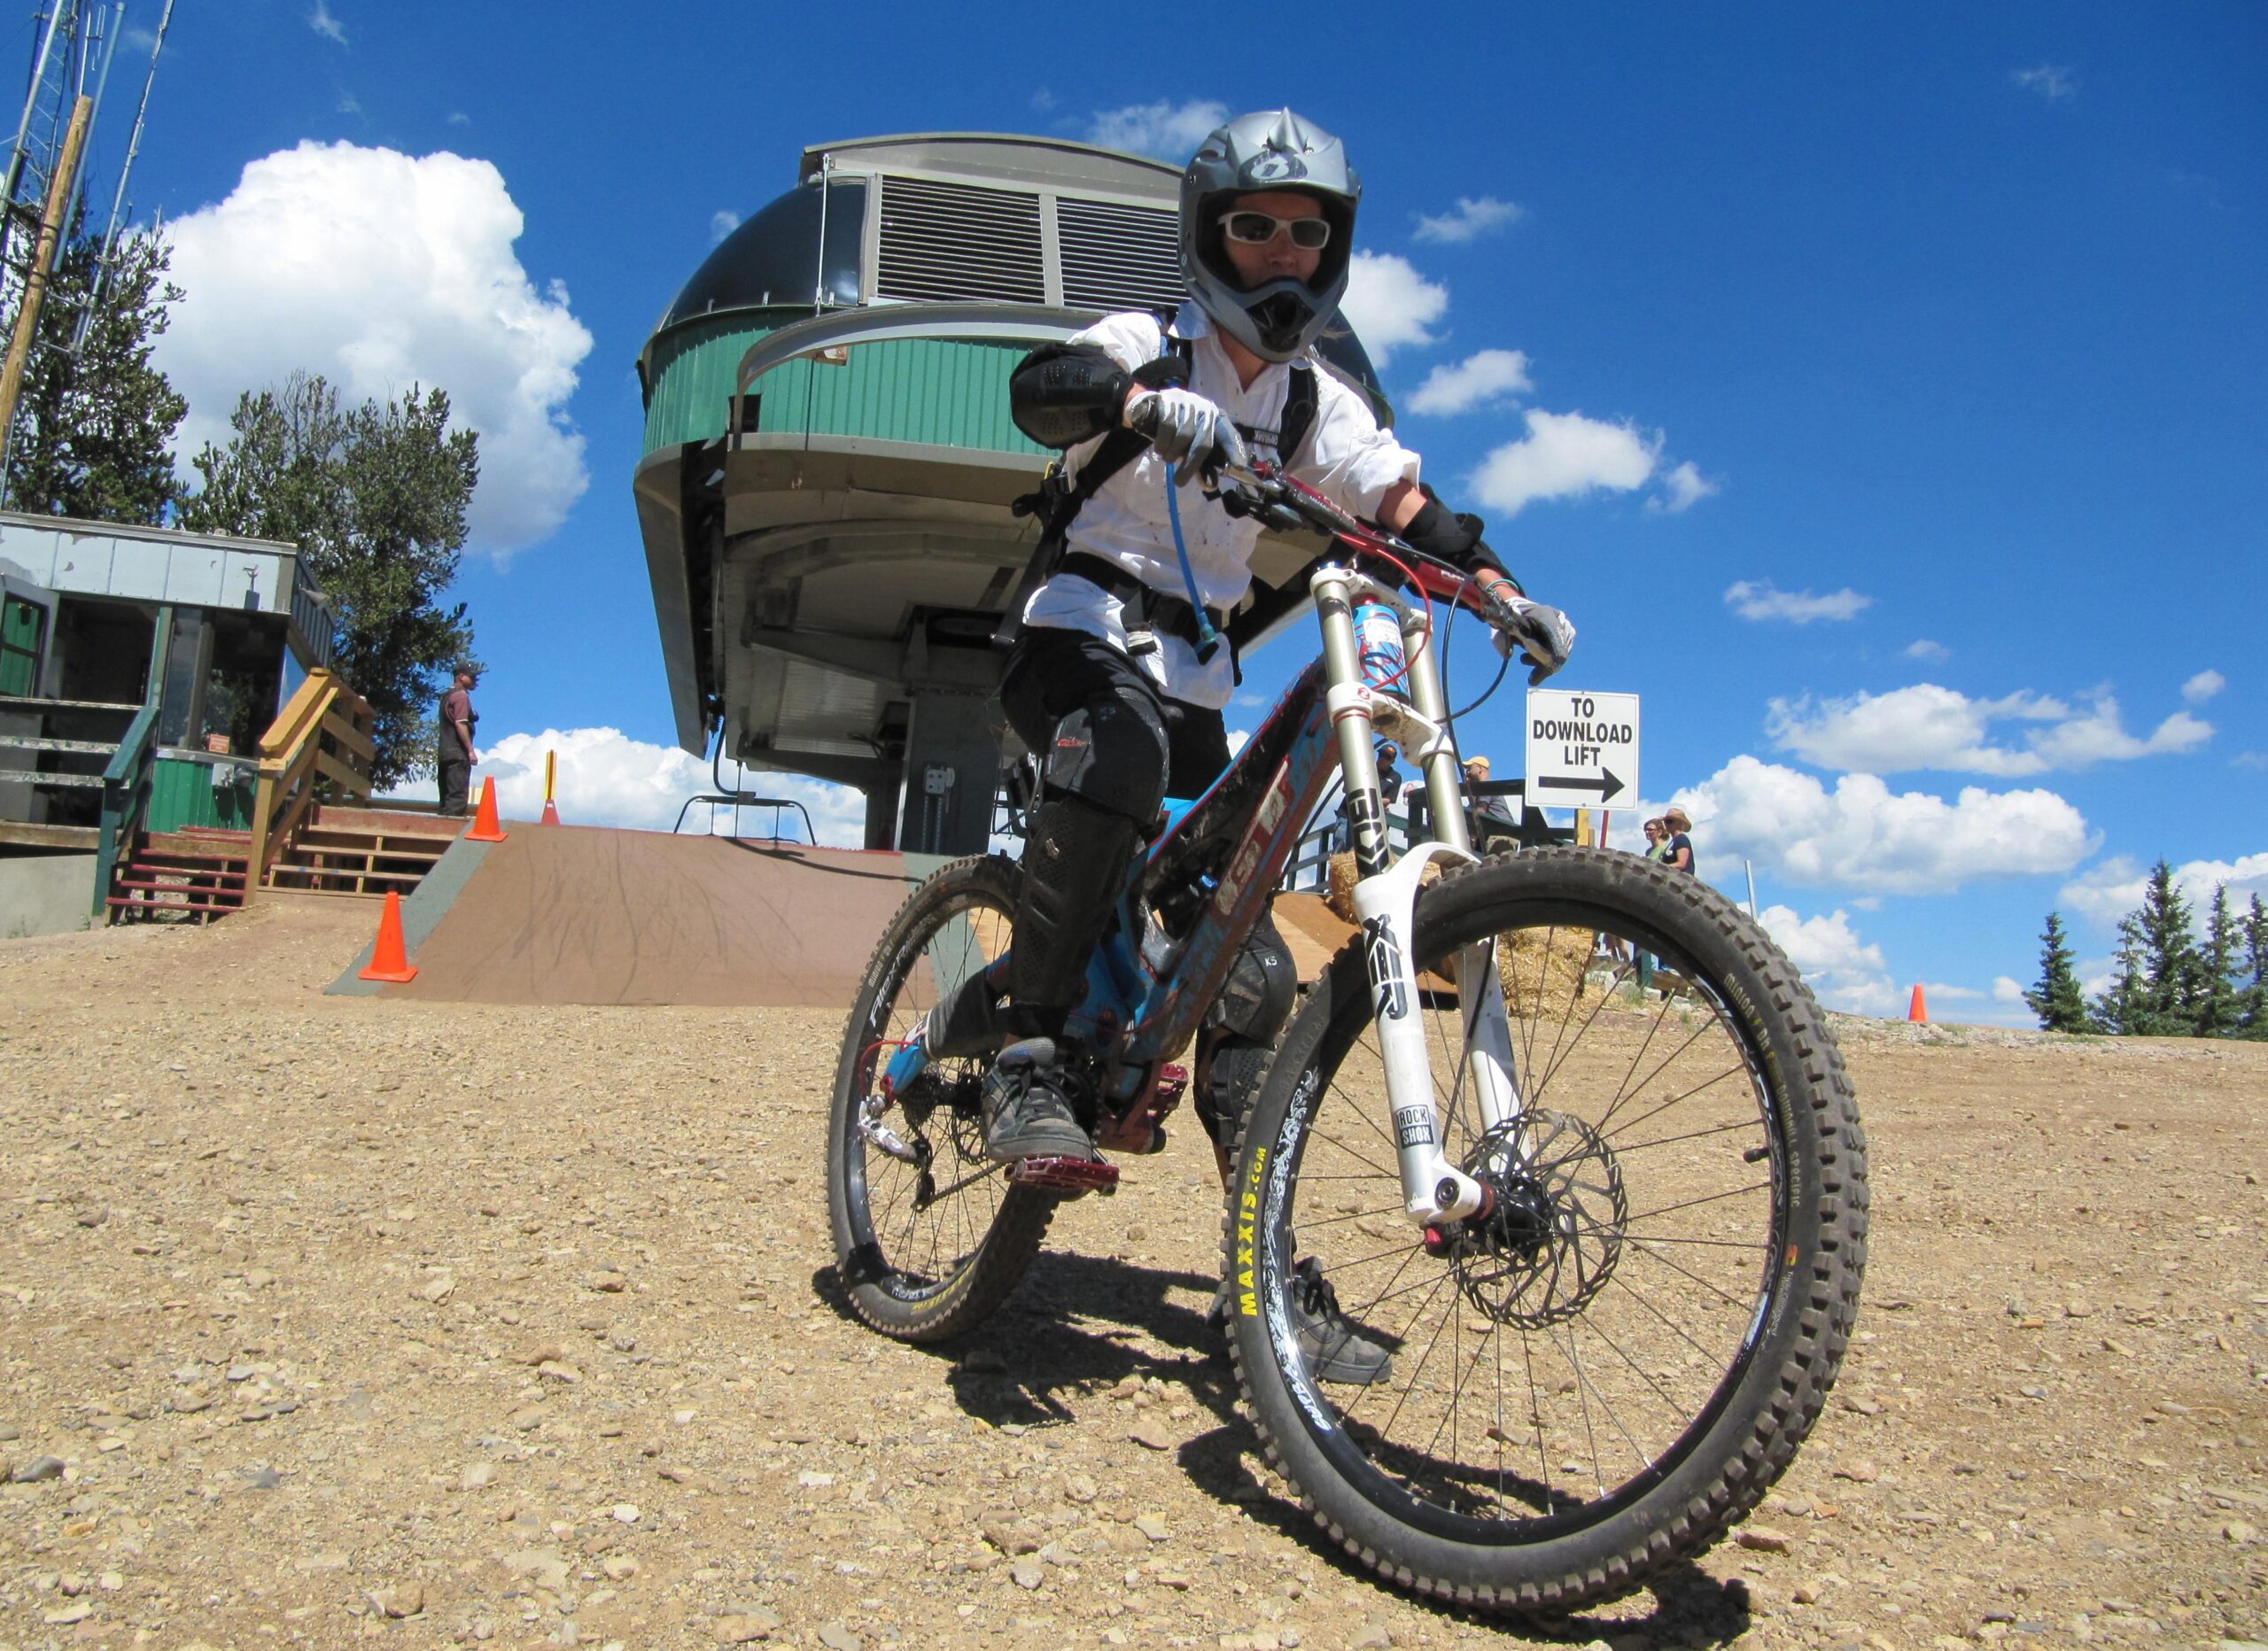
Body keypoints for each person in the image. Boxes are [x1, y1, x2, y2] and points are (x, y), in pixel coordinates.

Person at [985, 110, 1575, 1383]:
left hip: (1190, 674)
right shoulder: (1154, 339)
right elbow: (1042, 388)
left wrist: (1501, 584)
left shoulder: (1317, 399)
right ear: (1209, 237)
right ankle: (1031, 1051)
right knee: (1121, 756)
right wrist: (1142, 405)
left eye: (1308, 234)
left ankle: (1263, 1276)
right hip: (1072, 628)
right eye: (1255, 229)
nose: (1281, 257)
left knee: (1245, 974)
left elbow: (1400, 500)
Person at [437, 663, 479, 818]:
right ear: (461, 676)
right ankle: (448, 838)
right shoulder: (461, 696)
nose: (476, 680)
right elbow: (460, 723)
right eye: (472, 676)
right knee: (456, 801)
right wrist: (470, 751)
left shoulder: (446, 696)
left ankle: (439, 835)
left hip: (444, 753)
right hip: (457, 755)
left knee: (445, 801)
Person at [1464, 755, 1519, 853]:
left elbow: (1480, 812)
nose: (1467, 774)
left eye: (1469, 770)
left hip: (1500, 834)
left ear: (1480, 769)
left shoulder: (1486, 786)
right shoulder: (1479, 792)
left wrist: (1472, 838)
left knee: (1493, 864)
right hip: (1501, 833)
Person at [1661, 806, 1697, 876]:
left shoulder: (1681, 839)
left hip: (1682, 881)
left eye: (1670, 821)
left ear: (1680, 823)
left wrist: (1661, 868)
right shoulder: (1674, 841)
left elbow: (1681, 864)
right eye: (1665, 822)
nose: (1666, 824)